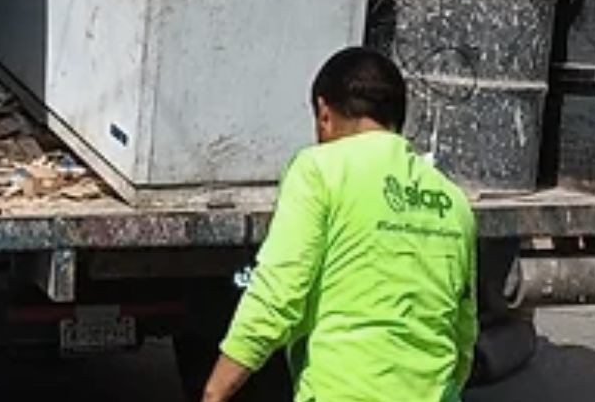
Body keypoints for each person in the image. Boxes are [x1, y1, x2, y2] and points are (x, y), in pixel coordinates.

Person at [201, 47, 479, 402]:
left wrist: (216, 390)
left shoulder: (319, 170)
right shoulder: (452, 200)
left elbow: (278, 293)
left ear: (323, 113)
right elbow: (463, 333)